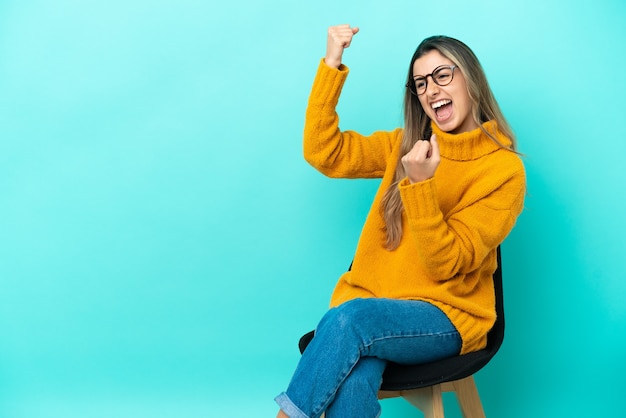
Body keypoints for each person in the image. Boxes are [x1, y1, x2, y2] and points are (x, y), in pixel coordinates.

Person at [275, 24, 525, 418]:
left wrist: (420, 187)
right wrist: (332, 63)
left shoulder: (503, 171)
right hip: (372, 313)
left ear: (470, 79)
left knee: (351, 319)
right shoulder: (404, 147)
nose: (432, 90)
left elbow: (445, 264)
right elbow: (324, 151)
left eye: (443, 75)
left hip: (446, 318)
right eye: (421, 83)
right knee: (353, 375)